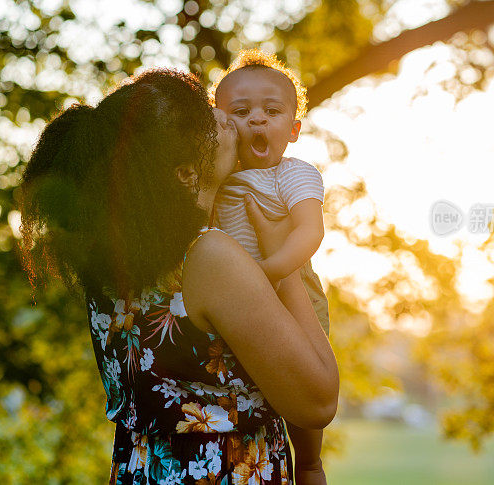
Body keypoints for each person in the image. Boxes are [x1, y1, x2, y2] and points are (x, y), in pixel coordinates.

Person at [19, 68, 338, 485]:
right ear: (185, 174)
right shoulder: (208, 256)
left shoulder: (109, 264)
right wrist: (287, 261)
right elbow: (318, 404)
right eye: (211, 124)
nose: (225, 119)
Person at [210, 50, 330, 483]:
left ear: (294, 130)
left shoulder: (293, 175)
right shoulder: (218, 180)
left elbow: (307, 233)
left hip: (292, 287)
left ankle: (310, 463)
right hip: (239, 299)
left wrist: (271, 269)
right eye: (241, 112)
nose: (257, 119)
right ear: (220, 126)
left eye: (272, 111)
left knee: (304, 395)